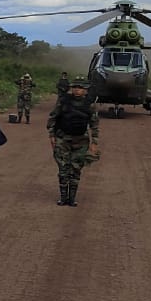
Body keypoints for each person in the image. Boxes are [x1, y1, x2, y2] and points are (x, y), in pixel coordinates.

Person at [47, 77, 100, 207]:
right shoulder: (63, 101)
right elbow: (53, 117)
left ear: (86, 90)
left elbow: (94, 124)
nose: (78, 90)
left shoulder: (90, 105)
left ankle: (72, 199)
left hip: (81, 140)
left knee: (76, 169)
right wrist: (52, 135)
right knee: (63, 169)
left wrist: (94, 142)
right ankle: (63, 197)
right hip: (63, 139)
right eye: (75, 87)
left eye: (81, 88)